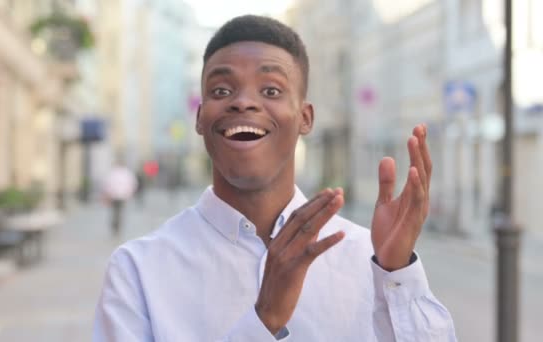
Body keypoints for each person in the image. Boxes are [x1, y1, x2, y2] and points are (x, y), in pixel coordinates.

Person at [94, 15, 457, 341]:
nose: (243, 102)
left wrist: (397, 273)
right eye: (222, 91)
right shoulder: (139, 270)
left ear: (305, 117)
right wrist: (263, 319)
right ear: (201, 117)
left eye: (271, 90)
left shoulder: (367, 257)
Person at [101, 161, 137, 235]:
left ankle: (115, 225)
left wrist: (107, 193)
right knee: (119, 211)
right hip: (122, 195)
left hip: (114, 195)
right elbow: (133, 184)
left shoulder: (113, 172)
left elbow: (107, 183)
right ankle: (117, 225)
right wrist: (129, 193)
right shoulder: (127, 173)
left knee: (115, 211)